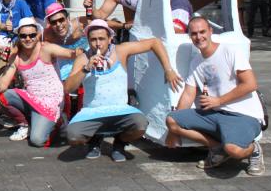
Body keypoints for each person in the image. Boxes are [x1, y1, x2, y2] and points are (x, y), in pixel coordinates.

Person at [64, 19, 182, 162]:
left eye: (101, 39)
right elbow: (68, 87)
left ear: (110, 38)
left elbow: (154, 42)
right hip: (92, 112)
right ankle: (94, 140)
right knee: (73, 135)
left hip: (120, 110)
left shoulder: (121, 50)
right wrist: (86, 68)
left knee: (140, 124)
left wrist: (168, 69)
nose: (98, 43)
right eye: (93, 39)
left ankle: (119, 143)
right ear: (88, 41)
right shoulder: (83, 59)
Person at [165, 17, 266, 176]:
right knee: (172, 119)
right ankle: (218, 148)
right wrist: (173, 131)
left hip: (243, 115)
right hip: (215, 114)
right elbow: (188, 94)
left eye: (202, 32)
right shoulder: (196, 62)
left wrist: (218, 100)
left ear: (211, 31)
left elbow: (251, 84)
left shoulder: (229, 51)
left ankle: (254, 149)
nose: (199, 37)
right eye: (194, 34)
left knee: (234, 150)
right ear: (189, 36)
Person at [0, 18, 79, 146]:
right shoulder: (18, 56)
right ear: (19, 37)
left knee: (37, 140)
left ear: (37, 35)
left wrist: (81, 51)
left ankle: (59, 121)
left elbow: (70, 54)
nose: (28, 39)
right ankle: (25, 125)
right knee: (2, 98)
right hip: (32, 98)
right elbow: (3, 85)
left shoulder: (46, 49)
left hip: (51, 101)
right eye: (23, 36)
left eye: (32, 35)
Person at [42, 3, 89, 81]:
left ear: (67, 18)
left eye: (61, 20)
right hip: (63, 69)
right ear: (50, 24)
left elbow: (103, 23)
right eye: (54, 22)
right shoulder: (47, 34)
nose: (58, 24)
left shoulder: (81, 24)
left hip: (85, 61)